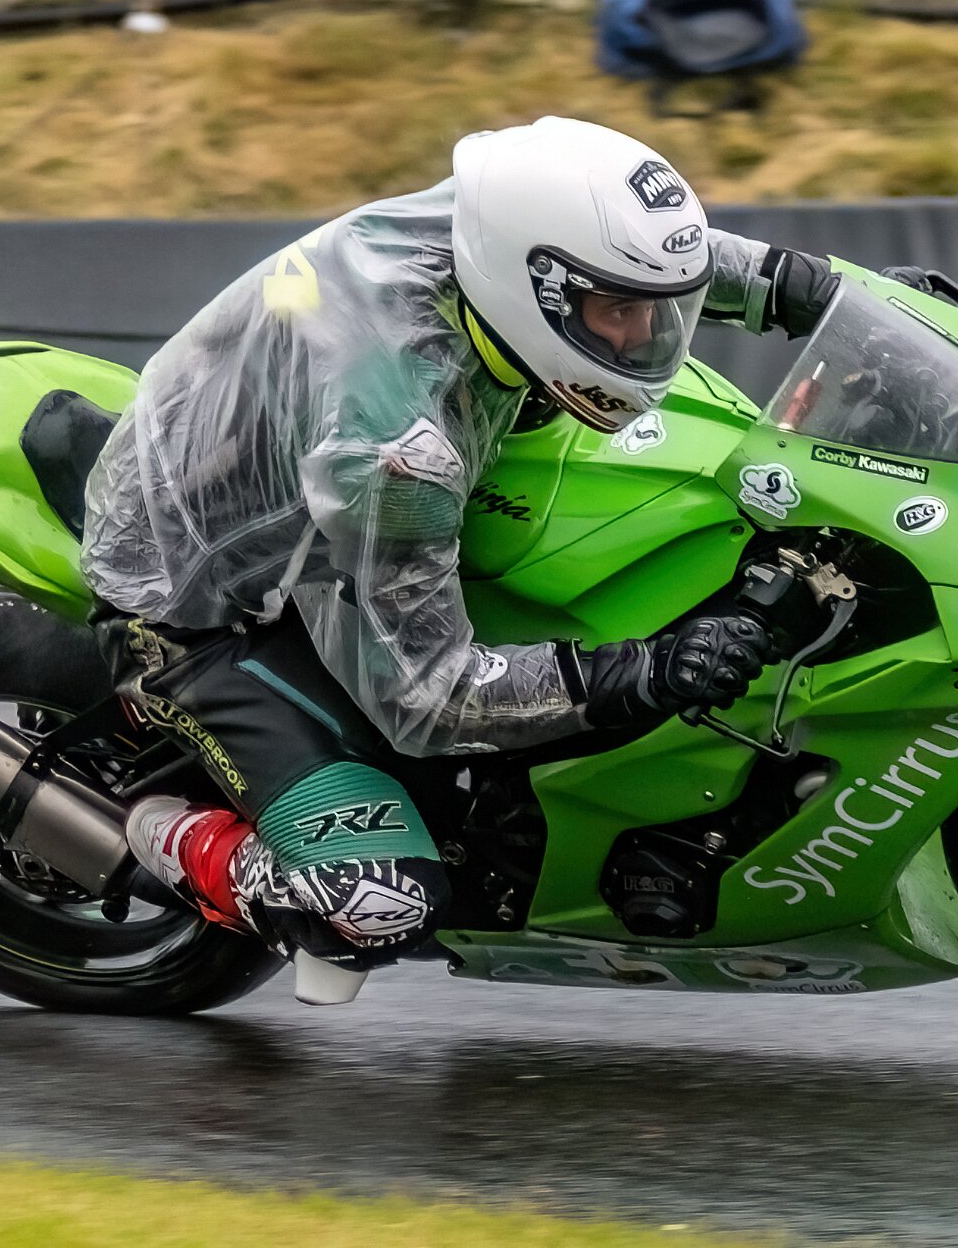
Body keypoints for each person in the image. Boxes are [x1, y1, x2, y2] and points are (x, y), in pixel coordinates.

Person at [80, 116, 848, 1003]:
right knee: (378, 901)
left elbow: (658, 263)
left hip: (277, 468)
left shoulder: (495, 227)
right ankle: (153, 829)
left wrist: (829, 294)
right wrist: (646, 669)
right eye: (621, 316)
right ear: (538, 291)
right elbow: (429, 698)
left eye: (653, 311)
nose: (645, 336)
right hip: (198, 603)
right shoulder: (399, 451)